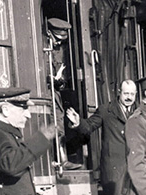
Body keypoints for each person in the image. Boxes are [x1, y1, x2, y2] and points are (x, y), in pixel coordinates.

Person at [66, 79, 137, 195]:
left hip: (135, 166)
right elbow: (90, 125)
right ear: (119, 92)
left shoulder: (139, 112)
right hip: (115, 167)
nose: (129, 97)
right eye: (126, 93)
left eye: (132, 94)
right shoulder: (106, 110)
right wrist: (78, 123)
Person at [46, 17, 82, 170]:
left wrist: (59, 80)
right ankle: (56, 161)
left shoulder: (56, 51)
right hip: (47, 94)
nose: (59, 43)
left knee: (59, 124)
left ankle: (63, 160)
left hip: (55, 94)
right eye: (57, 38)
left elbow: (58, 79)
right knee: (52, 125)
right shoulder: (43, 49)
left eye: (62, 40)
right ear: (48, 33)